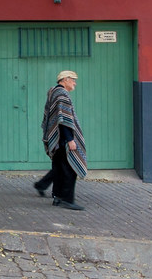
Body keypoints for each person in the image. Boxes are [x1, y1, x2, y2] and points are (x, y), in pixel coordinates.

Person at [34, 70, 87, 210]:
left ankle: (57, 198)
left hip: (56, 140)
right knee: (70, 169)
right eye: (73, 80)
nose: (75, 83)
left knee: (58, 168)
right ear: (65, 79)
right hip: (62, 139)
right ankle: (67, 199)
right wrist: (70, 139)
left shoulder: (53, 92)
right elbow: (63, 120)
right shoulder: (62, 95)